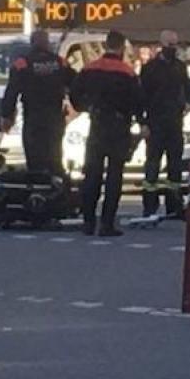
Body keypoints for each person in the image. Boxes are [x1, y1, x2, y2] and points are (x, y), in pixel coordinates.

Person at [68, 30, 144, 237]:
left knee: (92, 174)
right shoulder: (127, 72)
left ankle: (88, 221)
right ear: (120, 47)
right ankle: (107, 223)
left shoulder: (90, 69)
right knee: (114, 176)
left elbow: (74, 93)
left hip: (97, 124)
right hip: (119, 126)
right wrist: (140, 121)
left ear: (106, 45)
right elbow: (138, 101)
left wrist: (86, 107)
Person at [1, 30, 73, 178]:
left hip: (33, 118)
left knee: (34, 159)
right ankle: (56, 189)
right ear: (47, 44)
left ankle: (37, 189)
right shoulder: (59, 62)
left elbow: (12, 91)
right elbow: (75, 84)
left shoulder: (23, 64)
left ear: (32, 43)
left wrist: (7, 115)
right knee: (54, 156)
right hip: (54, 117)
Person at [136, 30, 190, 222]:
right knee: (152, 166)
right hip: (156, 123)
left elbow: (188, 88)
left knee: (174, 166)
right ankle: (149, 206)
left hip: (174, 123)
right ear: (162, 45)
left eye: (175, 45)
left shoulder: (180, 67)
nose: (172, 49)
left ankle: (173, 205)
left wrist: (187, 103)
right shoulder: (150, 68)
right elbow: (141, 96)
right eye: (169, 45)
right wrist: (143, 122)